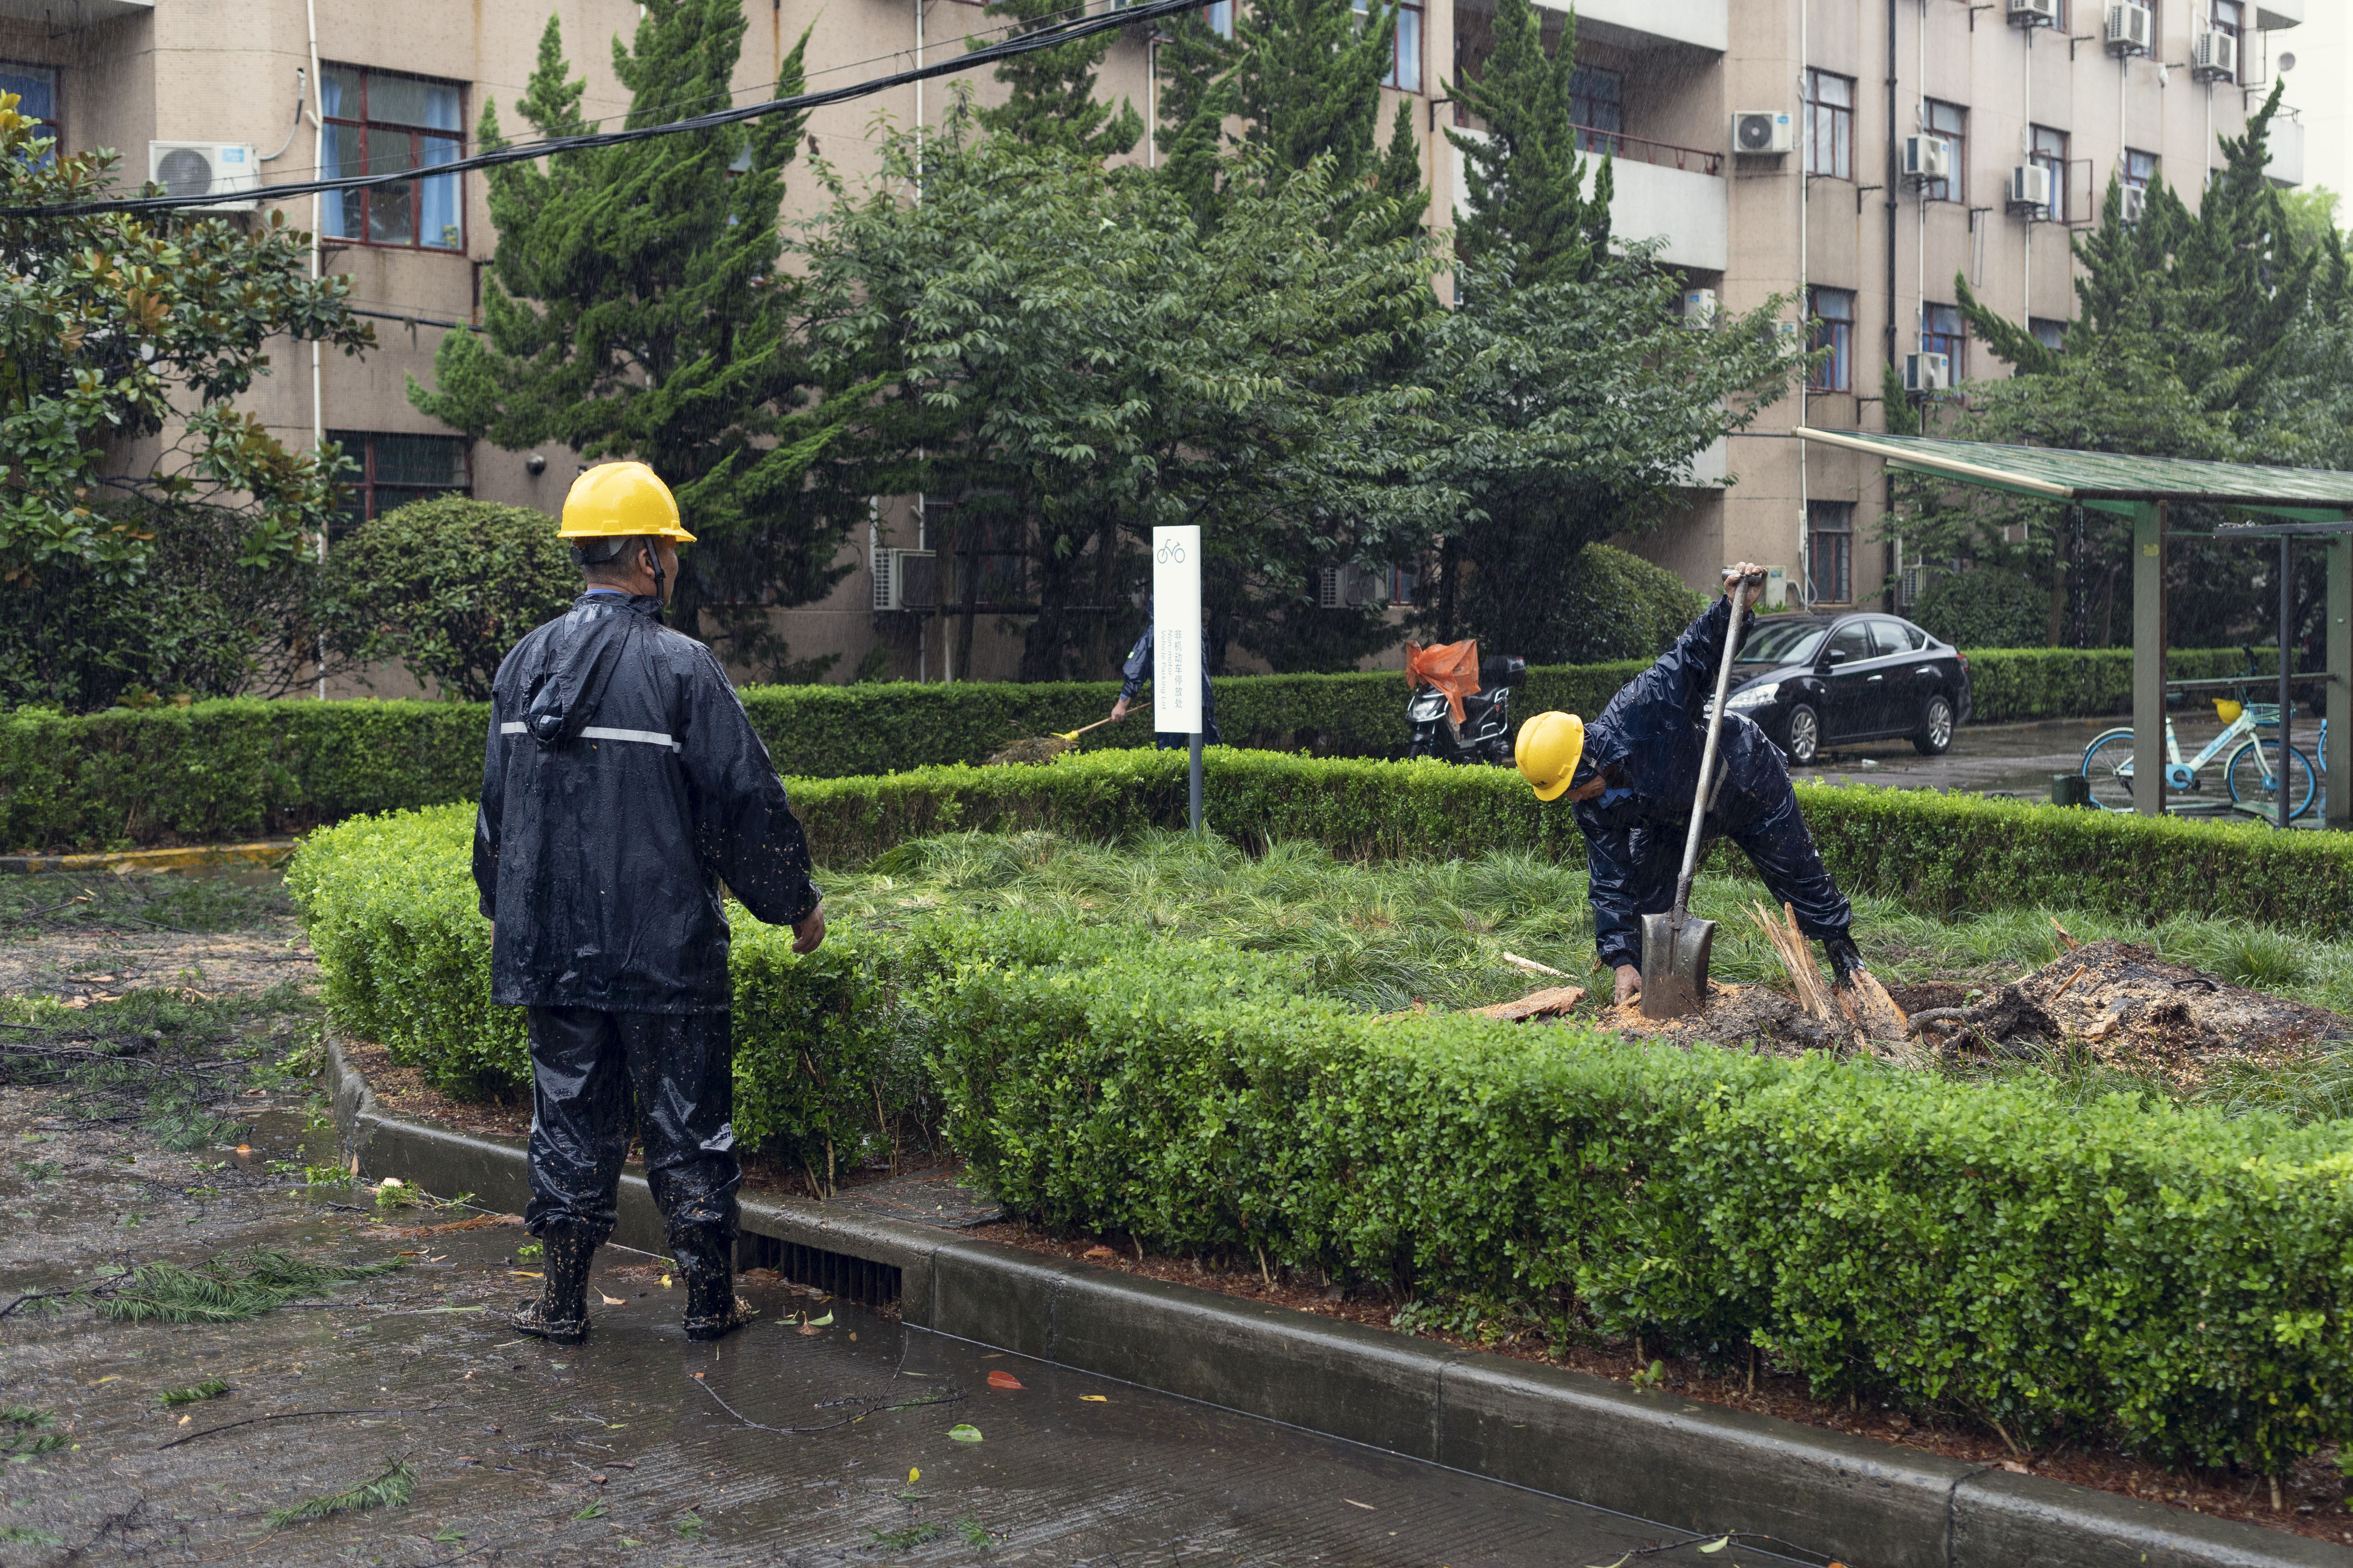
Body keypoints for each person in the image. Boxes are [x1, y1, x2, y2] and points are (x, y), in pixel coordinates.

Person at [473, 461, 826, 1346]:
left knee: (567, 1123)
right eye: (669, 549)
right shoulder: (682, 667)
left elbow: (497, 812)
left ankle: (561, 1305)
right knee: (690, 1127)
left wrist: (502, 906)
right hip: (665, 953)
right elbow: (745, 801)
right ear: (645, 558)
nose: (672, 563)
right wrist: (794, 903)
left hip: (552, 952)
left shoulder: (523, 664)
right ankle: (709, 1303)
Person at [1524, 563, 1866, 1006]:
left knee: (1797, 872)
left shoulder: (1645, 705)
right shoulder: (1591, 804)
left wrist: (1732, 606)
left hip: (1742, 778)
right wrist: (1620, 958)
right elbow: (1609, 879)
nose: (1571, 798)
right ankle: (1651, 987)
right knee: (1647, 897)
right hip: (1673, 815)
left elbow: (1693, 653)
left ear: (1590, 758)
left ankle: (1847, 962)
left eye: (1571, 786)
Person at [1106, 616, 1221, 748]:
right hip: (1199, 697)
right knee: (1208, 748)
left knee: (1170, 752)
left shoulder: (1157, 630)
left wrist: (1122, 704)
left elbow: (1137, 667)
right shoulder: (1196, 628)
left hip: (1171, 700)